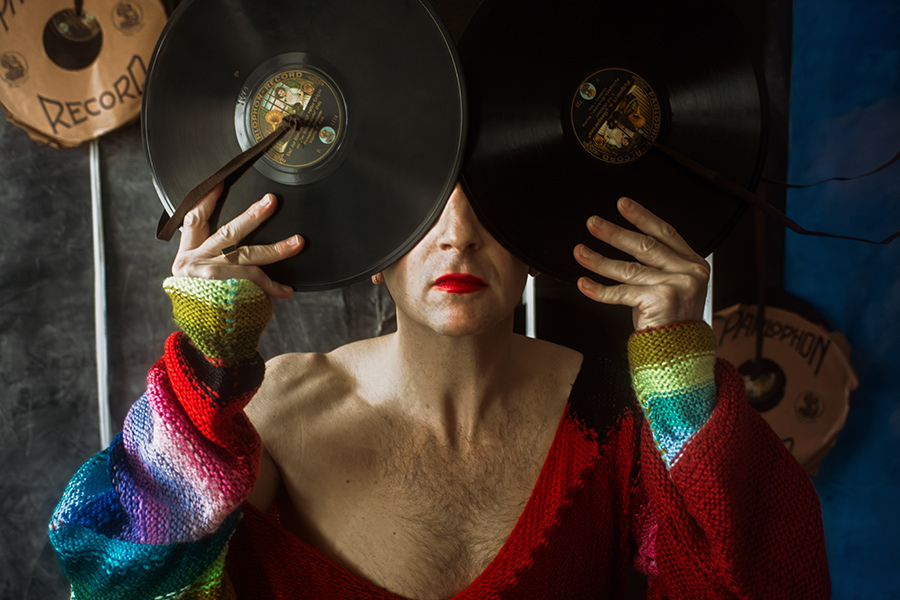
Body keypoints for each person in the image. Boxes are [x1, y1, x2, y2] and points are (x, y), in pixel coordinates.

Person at [49, 180, 830, 599]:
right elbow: (116, 582)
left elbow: (759, 581)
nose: (457, 231)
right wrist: (204, 362)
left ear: (536, 232)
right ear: (374, 245)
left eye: (490, 197)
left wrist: (676, 364)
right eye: (422, 203)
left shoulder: (611, 417)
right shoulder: (268, 419)